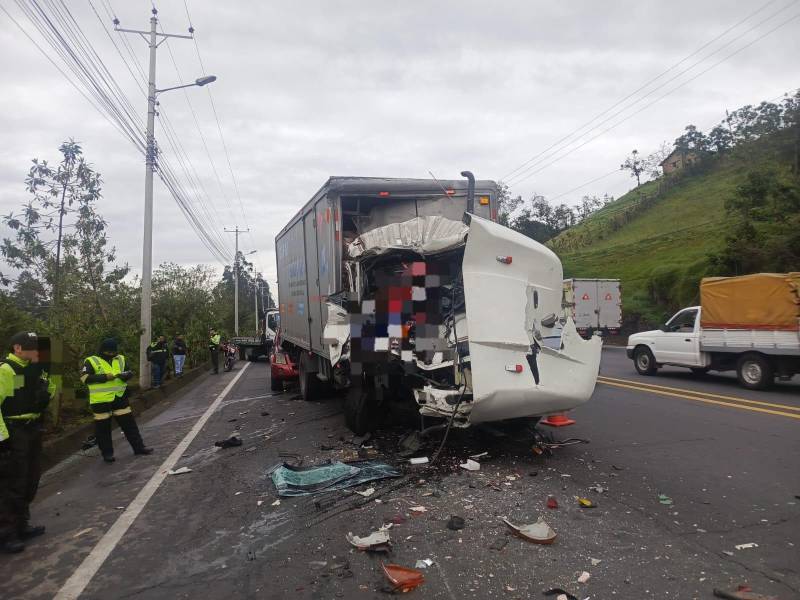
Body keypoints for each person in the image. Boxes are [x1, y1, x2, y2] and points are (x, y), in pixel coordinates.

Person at [0, 332, 55, 554]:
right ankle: (7, 534)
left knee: (30, 480)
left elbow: (48, 389)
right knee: (11, 484)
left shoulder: (34, 369)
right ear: (17, 348)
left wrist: (46, 392)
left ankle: (22, 525)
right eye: (32, 348)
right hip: (14, 431)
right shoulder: (6, 370)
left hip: (32, 428)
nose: (37, 352)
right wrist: (2, 439)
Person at [81, 338, 153, 464]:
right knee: (103, 429)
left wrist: (127, 375)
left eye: (113, 352)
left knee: (130, 425)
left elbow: (129, 371)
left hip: (119, 397)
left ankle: (139, 447)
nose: (111, 354)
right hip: (100, 401)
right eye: (108, 352)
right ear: (102, 351)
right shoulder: (91, 361)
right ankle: (108, 454)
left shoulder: (120, 358)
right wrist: (105, 377)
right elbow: (85, 378)